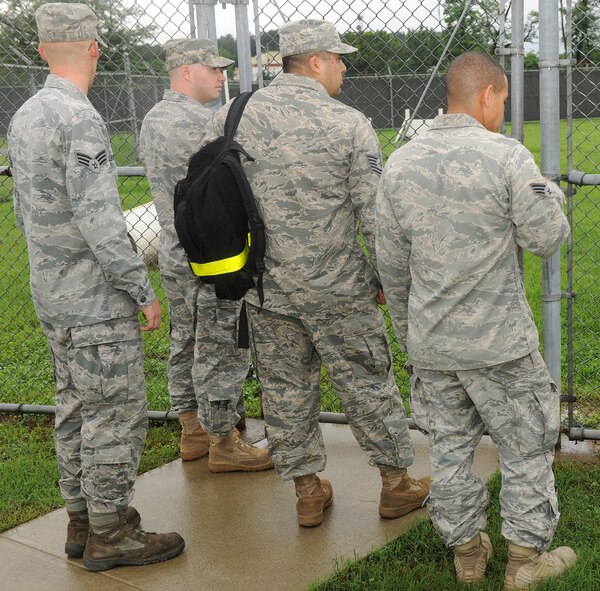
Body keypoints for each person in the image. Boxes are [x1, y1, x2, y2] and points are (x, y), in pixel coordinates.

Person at [201, 19, 429, 528]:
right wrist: (388, 280)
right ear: (317, 62)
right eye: (340, 58)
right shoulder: (348, 123)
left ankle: (306, 492)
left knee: (286, 391)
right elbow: (373, 216)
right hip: (339, 288)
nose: (345, 68)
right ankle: (396, 485)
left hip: (266, 288)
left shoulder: (233, 117)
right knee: (367, 383)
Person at [376, 51, 577, 590]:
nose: (503, 112)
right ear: (488, 94)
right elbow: (547, 237)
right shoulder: (507, 157)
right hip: (501, 346)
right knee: (526, 448)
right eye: (504, 101)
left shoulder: (399, 164)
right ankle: (523, 561)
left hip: (434, 345)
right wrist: (551, 193)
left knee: (448, 452)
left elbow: (392, 269)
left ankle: (467, 554)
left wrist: (411, 334)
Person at [8, 3, 183, 571]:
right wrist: (139, 288)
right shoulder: (78, 117)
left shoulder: (26, 115)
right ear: (94, 48)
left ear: (40, 50)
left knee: (74, 407)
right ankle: (111, 533)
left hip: (51, 292)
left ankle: (82, 522)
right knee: (114, 410)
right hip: (93, 300)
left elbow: (22, 211)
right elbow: (102, 219)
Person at [139, 38, 271, 473]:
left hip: (177, 254)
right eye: (212, 69)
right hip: (212, 256)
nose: (221, 77)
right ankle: (223, 440)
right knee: (220, 345)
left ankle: (193, 431)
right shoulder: (197, 121)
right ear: (185, 71)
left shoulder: (155, 118)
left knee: (187, 340)